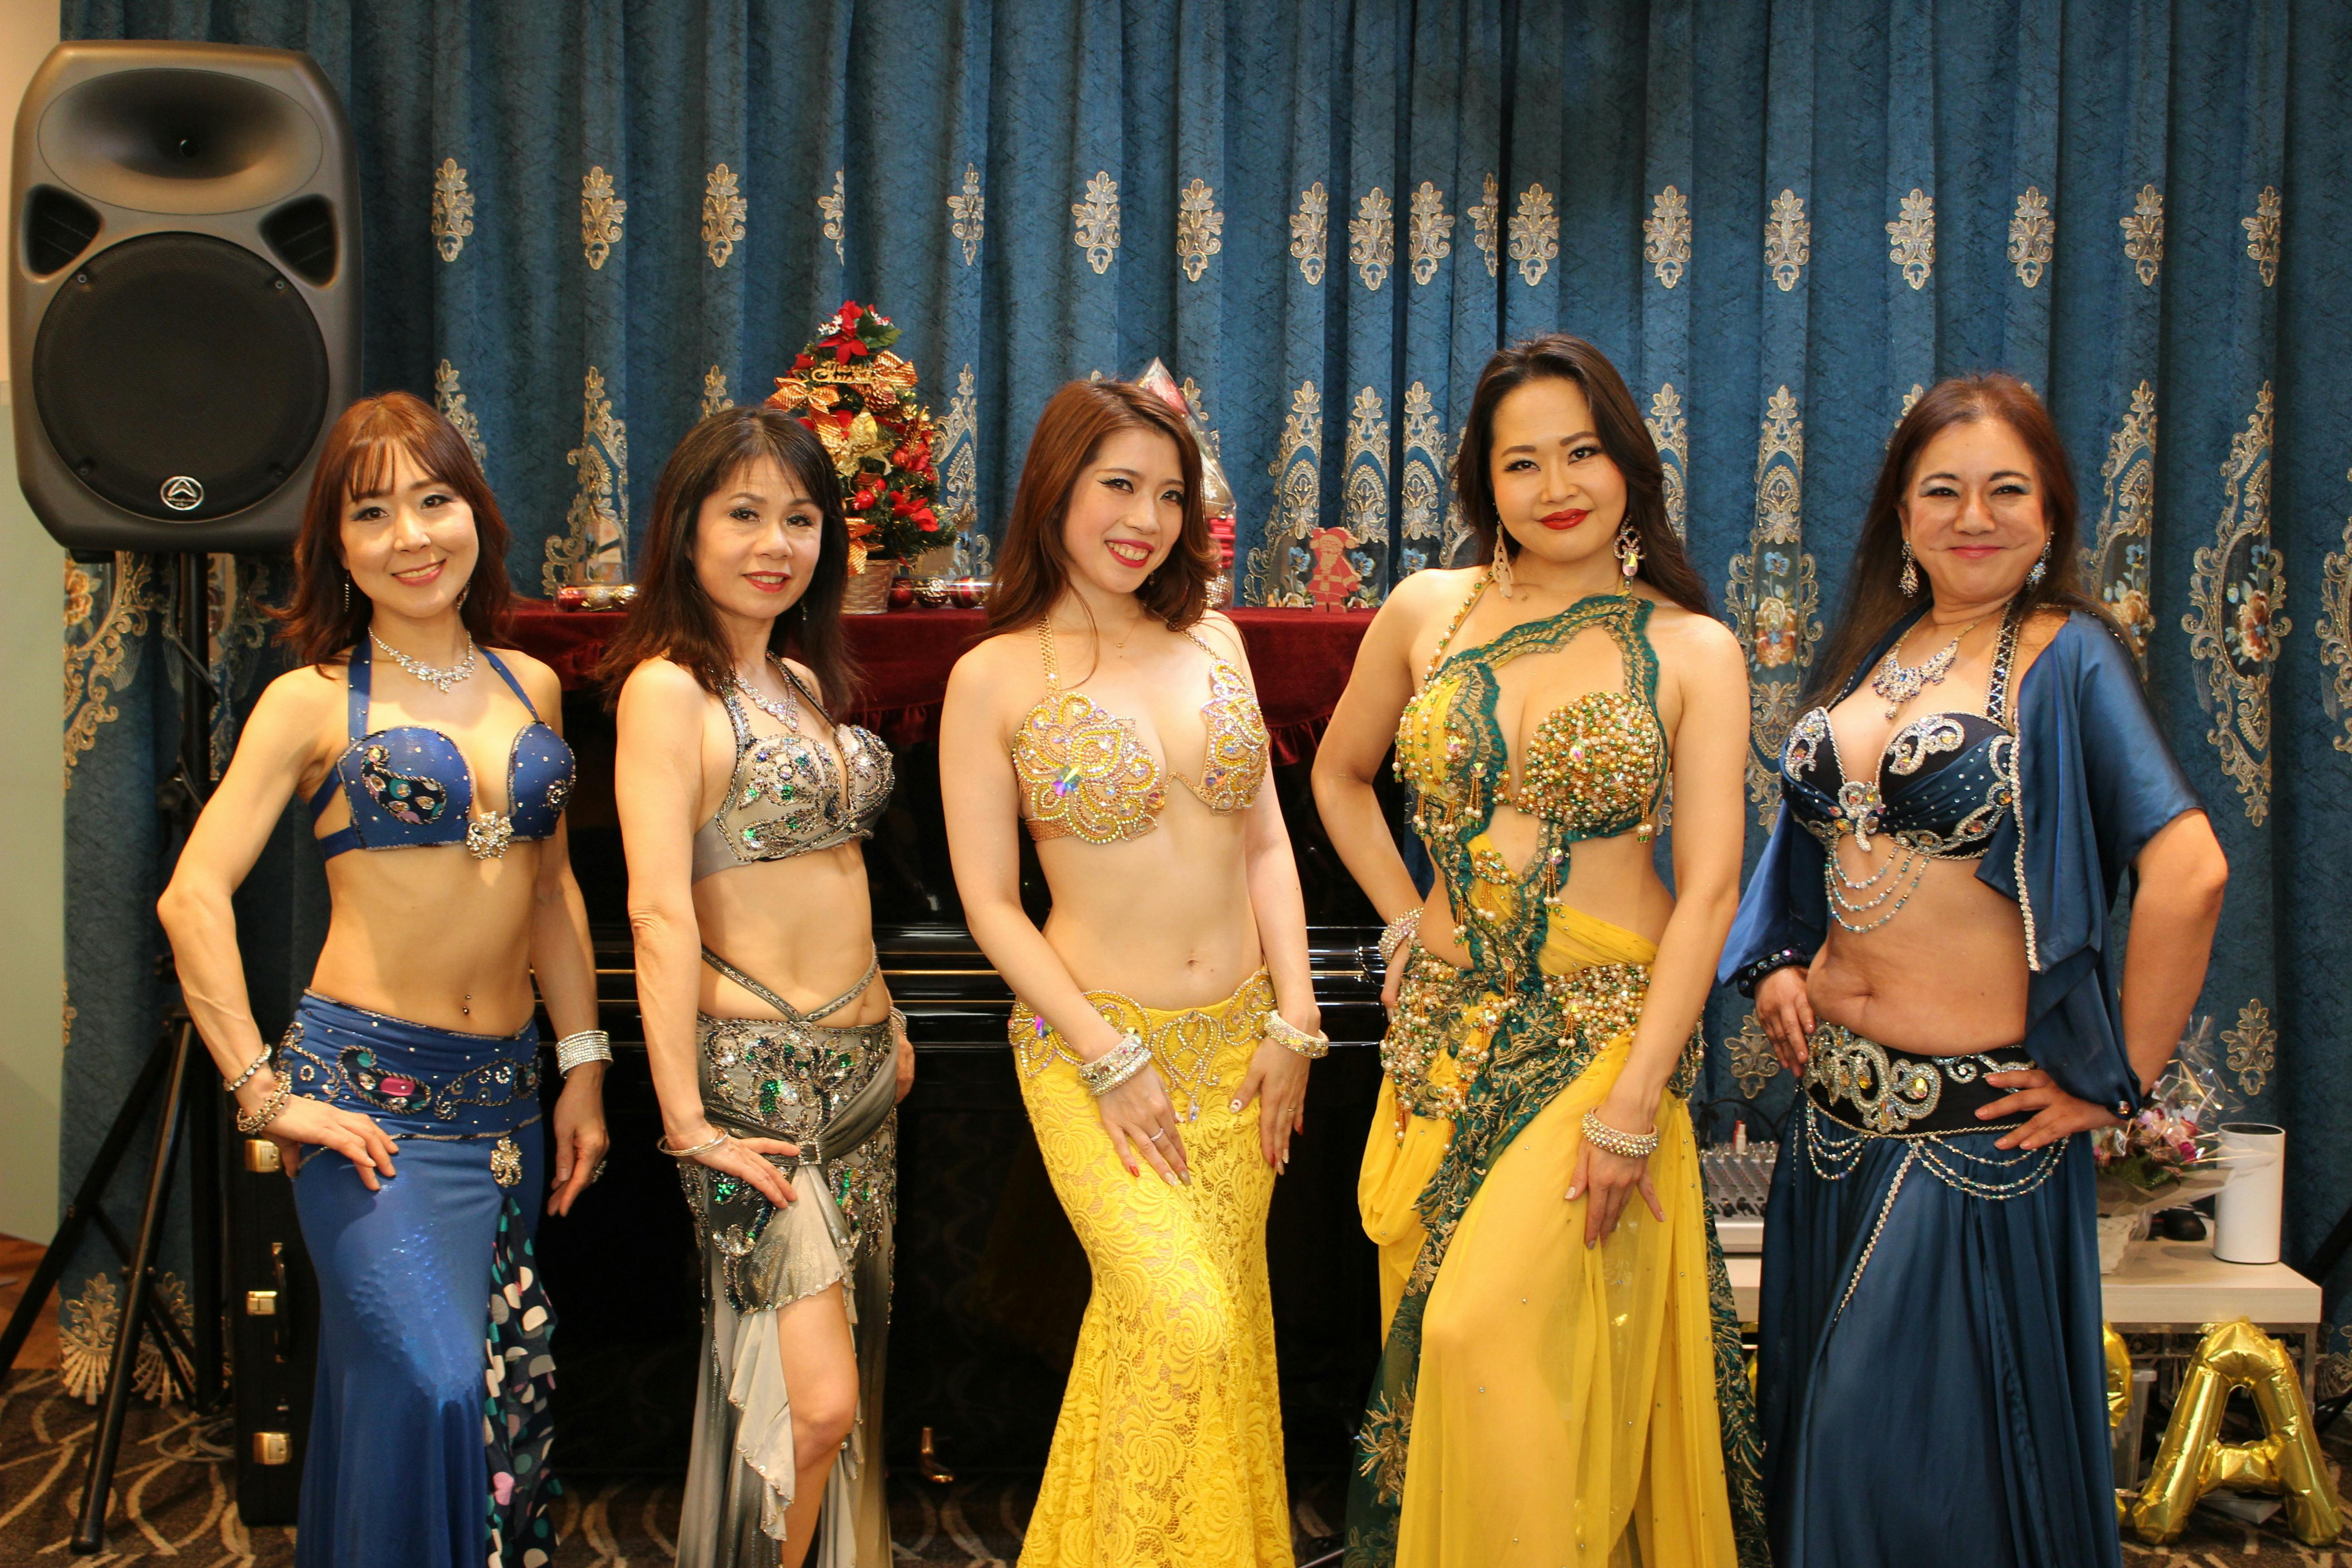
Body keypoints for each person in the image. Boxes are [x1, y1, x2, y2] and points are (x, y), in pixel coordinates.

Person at [1723, 372, 2229, 1568]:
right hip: (1831, 1135)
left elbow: (2191, 872)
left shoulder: (2070, 659)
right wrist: (1784, 960)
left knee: (1878, 1460)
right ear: (1902, 515)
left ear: (2051, 514)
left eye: (2007, 490)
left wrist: (2117, 1082)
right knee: (1847, 1456)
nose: (1974, 517)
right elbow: (1817, 841)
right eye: (1943, 491)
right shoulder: (1882, 652)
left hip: (1968, 1146)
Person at [1312, 333, 1766, 1567]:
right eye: (1523, 462)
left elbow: (1712, 888)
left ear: (1630, 465)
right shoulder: (1427, 611)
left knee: (1480, 1337)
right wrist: (1403, 916)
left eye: (1583, 453)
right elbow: (1340, 776)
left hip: (1598, 1045)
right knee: (1464, 1377)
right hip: (1441, 1047)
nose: (1557, 486)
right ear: (1484, 480)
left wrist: (1634, 1103)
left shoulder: (1693, 650)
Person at [157, 392, 608, 1568]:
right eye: (372, 513)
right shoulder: (309, 700)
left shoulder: (532, 685)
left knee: (487, 1393)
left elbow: (552, 895)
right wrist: (263, 1095)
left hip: (507, 1106)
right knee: (432, 1383)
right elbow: (192, 897)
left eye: (434, 499)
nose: (411, 536)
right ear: (337, 548)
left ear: (476, 516)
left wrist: (583, 1070)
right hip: (367, 1108)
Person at [938, 380, 1320, 1568]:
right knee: (1184, 1324)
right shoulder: (993, 675)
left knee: (1194, 1348)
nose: (1146, 519)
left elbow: (1267, 845)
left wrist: (1298, 1021)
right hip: (1093, 1054)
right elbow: (991, 905)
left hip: (1242, 1055)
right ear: (1056, 489)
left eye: (1169, 493)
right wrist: (1108, 1058)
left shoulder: (1216, 642)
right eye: (1119, 486)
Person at [604, 407, 911, 1568]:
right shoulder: (665, 692)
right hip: (759, 1088)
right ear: (685, 530)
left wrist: (891, 1014)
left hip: (862, 1078)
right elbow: (657, 910)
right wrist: (688, 1124)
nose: (776, 544)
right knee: (813, 1408)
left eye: (800, 518)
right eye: (744, 515)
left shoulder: (795, 676)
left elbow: (842, 877)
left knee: (839, 1399)